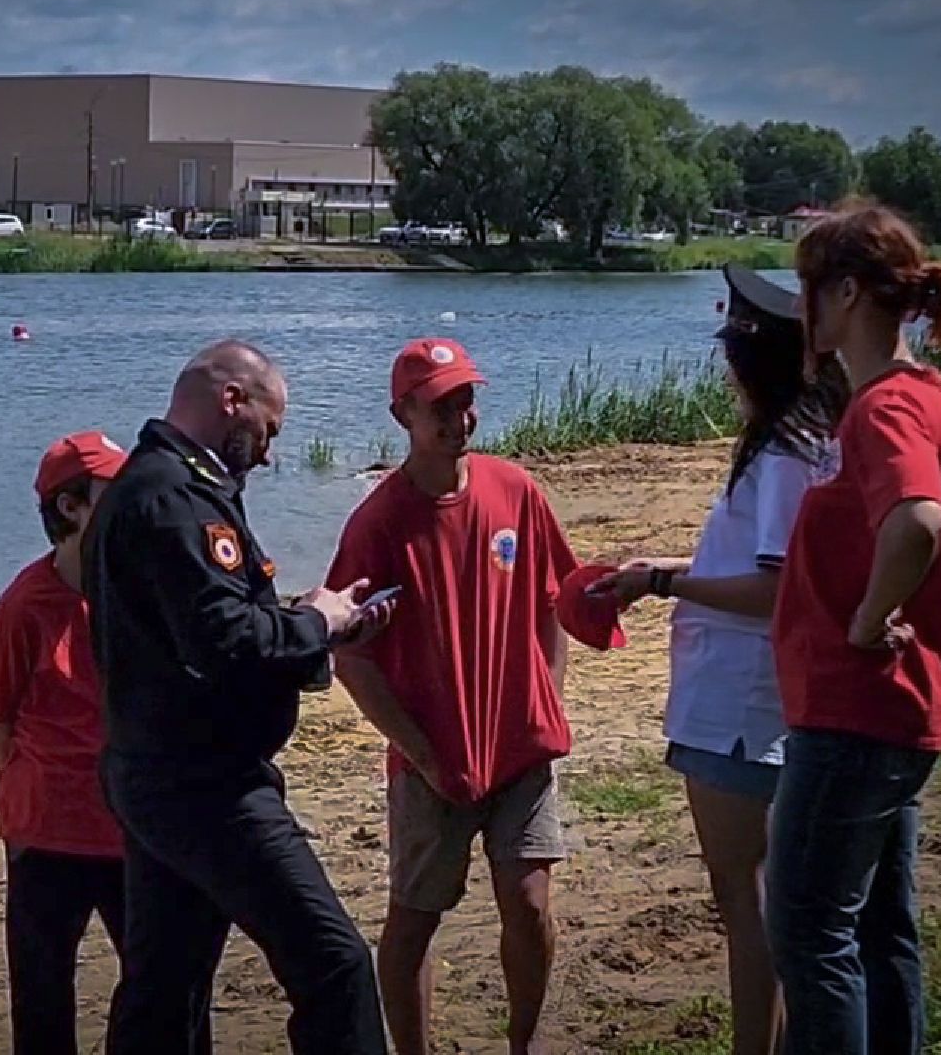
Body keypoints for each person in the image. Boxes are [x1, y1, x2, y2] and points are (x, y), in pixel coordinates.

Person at [83, 339, 394, 1055]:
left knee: (166, 988)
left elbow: (195, 630)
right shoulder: (173, 497)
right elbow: (222, 642)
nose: (267, 452)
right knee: (334, 964)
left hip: (160, 770)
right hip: (206, 785)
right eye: (269, 430)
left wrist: (311, 629)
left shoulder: (155, 486)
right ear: (233, 402)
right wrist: (315, 622)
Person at [586, 265, 847, 1055]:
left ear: (746, 361)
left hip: (741, 705)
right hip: (762, 697)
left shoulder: (781, 456)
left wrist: (663, 581)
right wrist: (654, 572)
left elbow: (775, 590)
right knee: (775, 899)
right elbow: (764, 564)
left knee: (747, 899)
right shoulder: (807, 441)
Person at [325, 337, 581, 1055]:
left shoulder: (516, 491)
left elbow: (551, 602)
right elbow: (353, 658)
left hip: (519, 751)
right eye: (439, 405)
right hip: (431, 761)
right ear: (402, 412)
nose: (457, 417)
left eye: (465, 400)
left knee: (529, 905)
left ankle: (522, 1043)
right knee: (415, 918)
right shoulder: (379, 523)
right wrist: (420, 752)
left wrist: (547, 700)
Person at [767, 201, 941, 1054]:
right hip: (897, 710)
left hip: (857, 710)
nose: (801, 307)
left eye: (809, 287)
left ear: (847, 293)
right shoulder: (925, 396)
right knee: (883, 927)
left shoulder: (883, 407)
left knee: (812, 933)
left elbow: (916, 520)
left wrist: (867, 617)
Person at [0, 431, 130, 1055]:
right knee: (42, 1000)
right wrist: (46, 783)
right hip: (46, 832)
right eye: (117, 493)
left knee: (157, 988)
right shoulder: (23, 608)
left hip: (129, 826)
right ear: (72, 508)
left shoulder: (137, 591)